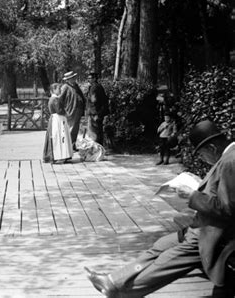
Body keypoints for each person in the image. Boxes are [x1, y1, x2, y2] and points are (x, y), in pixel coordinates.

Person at [85, 119, 235, 297]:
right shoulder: (228, 158)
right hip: (200, 226)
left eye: (201, 154)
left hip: (211, 233)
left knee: (168, 260)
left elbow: (228, 209)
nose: (203, 159)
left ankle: (125, 291)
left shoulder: (229, 162)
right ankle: (113, 280)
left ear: (212, 149)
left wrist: (192, 195)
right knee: (161, 245)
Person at [43, 83, 73, 164]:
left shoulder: (54, 99)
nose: (60, 90)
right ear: (53, 90)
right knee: (59, 137)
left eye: (60, 88)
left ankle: (63, 155)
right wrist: (66, 113)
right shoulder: (55, 99)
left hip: (57, 118)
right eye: (58, 88)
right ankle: (59, 155)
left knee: (60, 137)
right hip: (58, 119)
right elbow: (59, 110)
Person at [60, 71, 86, 149]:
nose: (74, 79)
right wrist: (63, 110)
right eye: (72, 78)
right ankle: (68, 147)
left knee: (75, 129)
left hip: (78, 110)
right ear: (68, 80)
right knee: (70, 129)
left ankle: (73, 145)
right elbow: (60, 99)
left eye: (74, 77)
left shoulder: (76, 86)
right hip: (70, 111)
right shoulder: (65, 87)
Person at [86, 72, 109, 146]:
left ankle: (96, 150)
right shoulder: (98, 86)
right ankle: (99, 149)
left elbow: (93, 100)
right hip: (98, 112)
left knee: (94, 133)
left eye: (90, 78)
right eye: (88, 78)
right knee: (99, 132)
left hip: (95, 113)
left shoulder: (94, 87)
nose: (88, 80)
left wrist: (95, 113)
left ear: (94, 79)